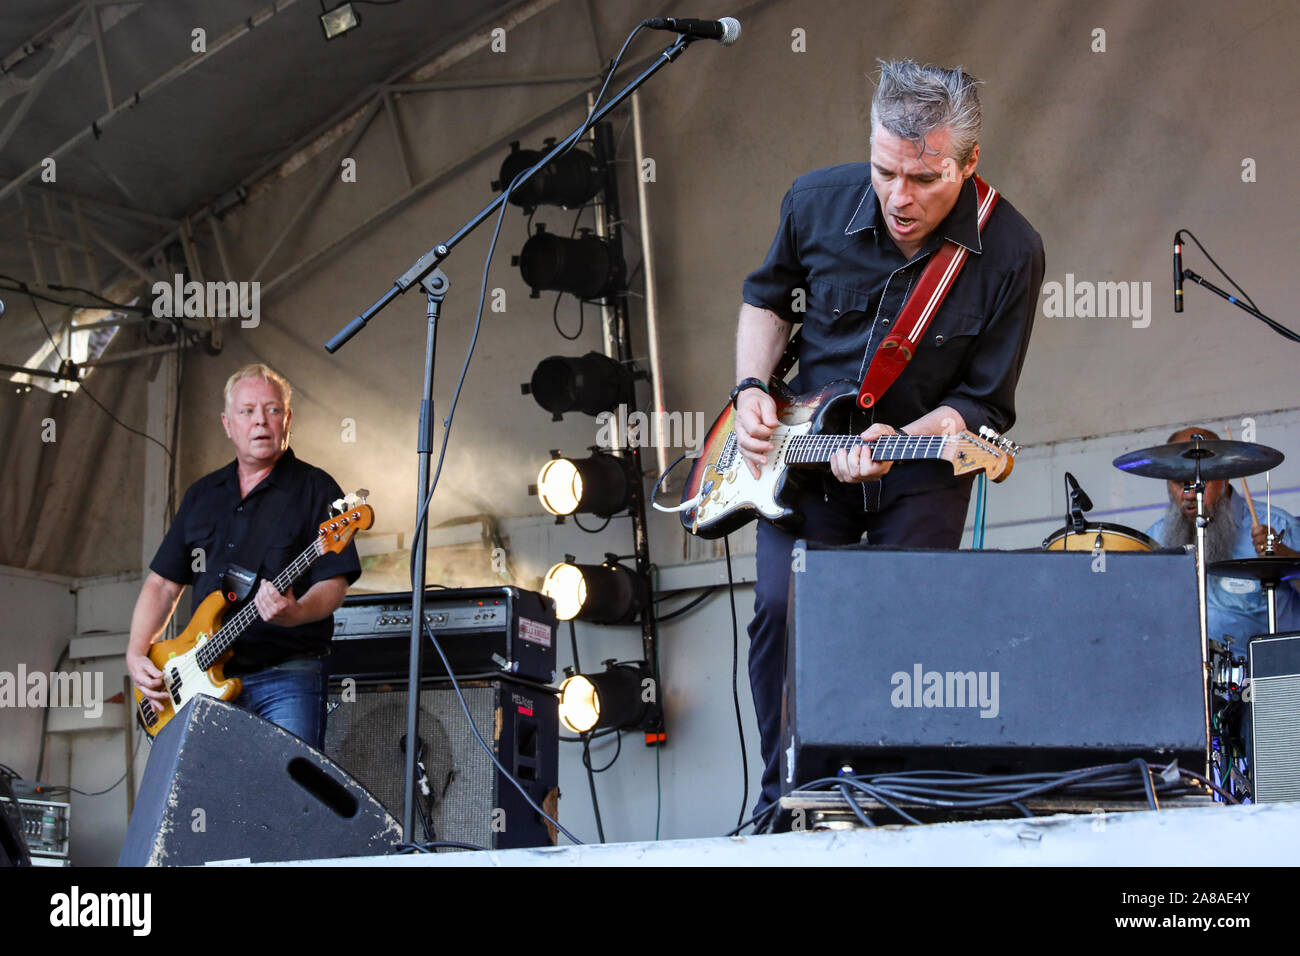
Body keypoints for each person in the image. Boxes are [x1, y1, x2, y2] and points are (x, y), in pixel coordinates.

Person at [733, 59, 1045, 813]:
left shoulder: (1013, 252)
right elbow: (765, 300)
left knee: (911, 616)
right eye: (885, 171)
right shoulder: (815, 202)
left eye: (926, 178)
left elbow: (984, 404)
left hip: (921, 464)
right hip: (803, 461)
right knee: (781, 608)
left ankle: (897, 802)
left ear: (970, 164)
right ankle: (786, 802)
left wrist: (908, 435)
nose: (900, 197)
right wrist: (748, 389)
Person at [126, 364, 361, 749]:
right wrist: (137, 653)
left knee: (287, 793)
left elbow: (333, 582)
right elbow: (164, 584)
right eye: (247, 411)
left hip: (287, 675)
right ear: (227, 423)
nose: (260, 422)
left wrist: (296, 611)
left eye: (272, 410)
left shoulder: (316, 488)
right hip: (199, 679)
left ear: (288, 419)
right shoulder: (202, 495)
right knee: (208, 798)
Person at [1144, 426, 1300, 650]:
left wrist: (1288, 558)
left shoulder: (1277, 525)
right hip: (1186, 675)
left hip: (1268, 674)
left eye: (1201, 483)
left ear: (1225, 476)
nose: (1189, 495)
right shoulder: (1155, 538)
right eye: (1179, 482)